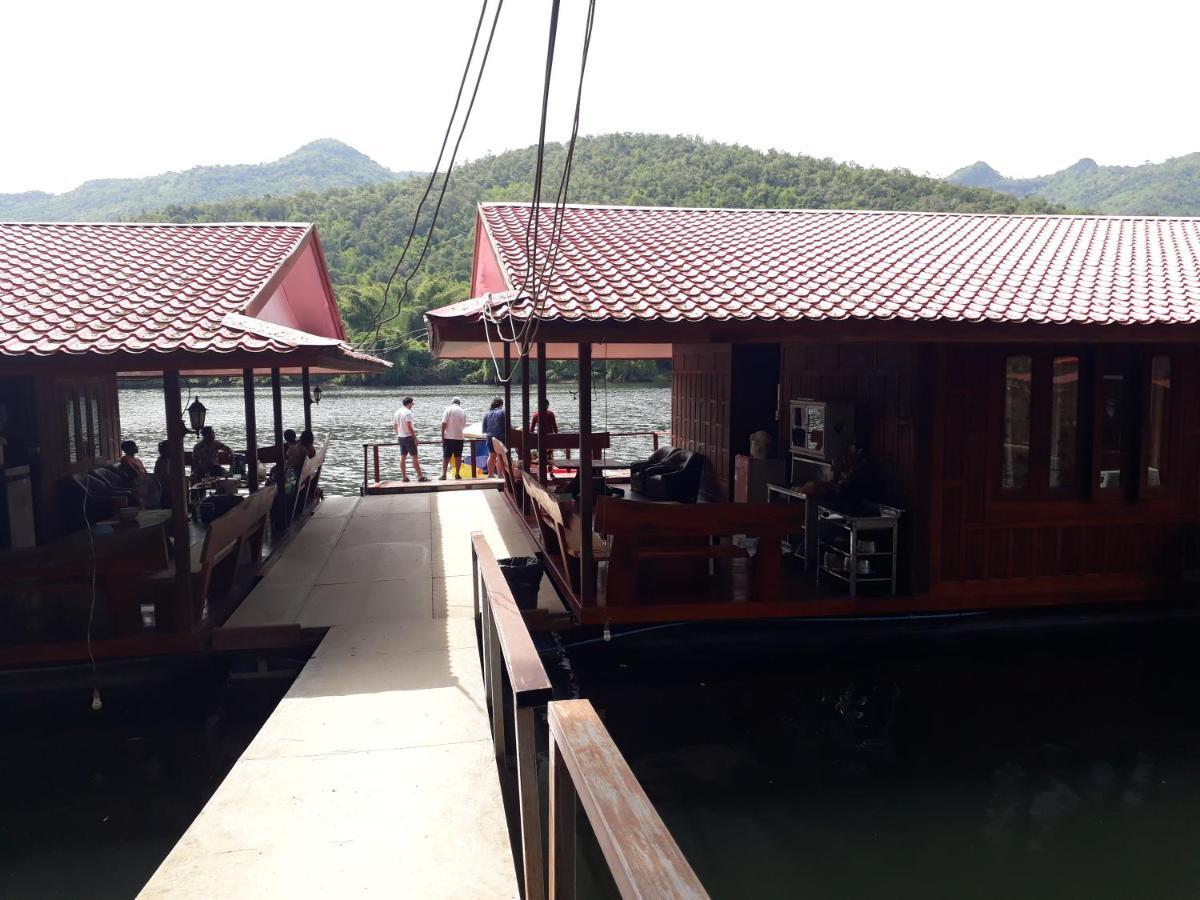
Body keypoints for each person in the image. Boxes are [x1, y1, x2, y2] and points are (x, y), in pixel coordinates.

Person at [392, 396, 429, 483]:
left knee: (403, 457)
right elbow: (409, 426)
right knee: (414, 457)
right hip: (408, 437)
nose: (412, 405)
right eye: (412, 403)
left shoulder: (397, 412)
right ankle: (420, 476)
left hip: (400, 437)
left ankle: (404, 477)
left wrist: (398, 434)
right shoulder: (408, 412)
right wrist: (415, 438)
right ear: (409, 404)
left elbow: (394, 425)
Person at [440, 397, 467, 480]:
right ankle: (457, 474)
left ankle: (444, 475)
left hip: (448, 437)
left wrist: (442, 436)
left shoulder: (448, 410)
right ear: (459, 403)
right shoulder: (463, 411)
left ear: (452, 402)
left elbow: (444, 423)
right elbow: (463, 425)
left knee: (446, 457)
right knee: (458, 457)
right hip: (459, 437)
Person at [530, 398, 559, 467]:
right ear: (547, 405)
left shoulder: (536, 415)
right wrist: (557, 436)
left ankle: (541, 469)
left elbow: (532, 429)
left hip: (539, 438)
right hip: (550, 438)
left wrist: (532, 439)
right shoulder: (551, 414)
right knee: (550, 456)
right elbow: (554, 426)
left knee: (540, 455)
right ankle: (551, 471)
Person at [482, 397, 506, 478]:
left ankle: (490, 474)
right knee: (500, 456)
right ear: (501, 404)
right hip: (499, 436)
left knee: (491, 455)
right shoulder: (502, 412)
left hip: (489, 436)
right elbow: (506, 426)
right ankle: (500, 474)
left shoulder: (487, 413)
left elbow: (484, 429)